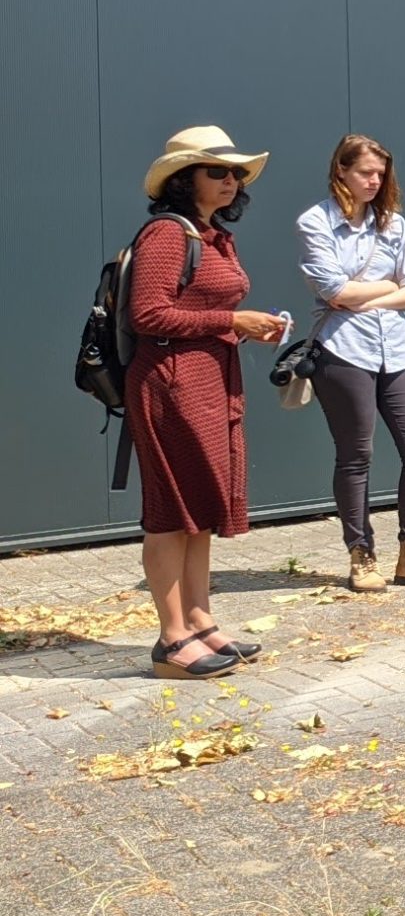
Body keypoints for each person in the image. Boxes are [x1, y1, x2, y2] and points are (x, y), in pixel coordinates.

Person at [128, 128, 290, 679]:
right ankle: (171, 641)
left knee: (198, 510)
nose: (231, 180)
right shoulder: (166, 234)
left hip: (210, 381)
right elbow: (147, 315)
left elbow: (201, 310)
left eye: (236, 173)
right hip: (170, 384)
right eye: (217, 171)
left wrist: (248, 329)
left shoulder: (213, 235)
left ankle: (199, 621)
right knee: (171, 512)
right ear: (183, 179)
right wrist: (230, 322)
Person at [296, 134, 405, 593]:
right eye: (365, 172)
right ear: (341, 172)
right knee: (356, 456)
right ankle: (361, 554)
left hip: (400, 349)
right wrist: (388, 289)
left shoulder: (394, 224)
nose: (374, 181)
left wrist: (363, 295)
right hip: (343, 349)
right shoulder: (316, 223)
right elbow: (334, 292)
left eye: (380, 174)